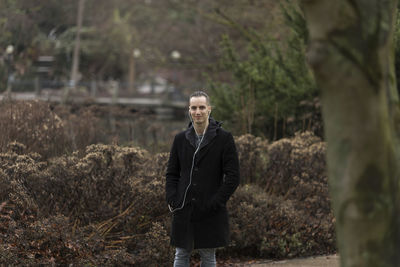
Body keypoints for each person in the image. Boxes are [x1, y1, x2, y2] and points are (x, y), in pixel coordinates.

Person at [165, 90, 240, 267]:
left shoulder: (224, 139)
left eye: (201, 107)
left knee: (208, 256)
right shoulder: (180, 139)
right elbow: (172, 173)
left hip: (210, 209)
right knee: (181, 253)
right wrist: (172, 199)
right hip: (184, 209)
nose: (197, 111)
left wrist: (217, 202)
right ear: (189, 110)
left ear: (209, 109)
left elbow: (233, 176)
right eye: (193, 108)